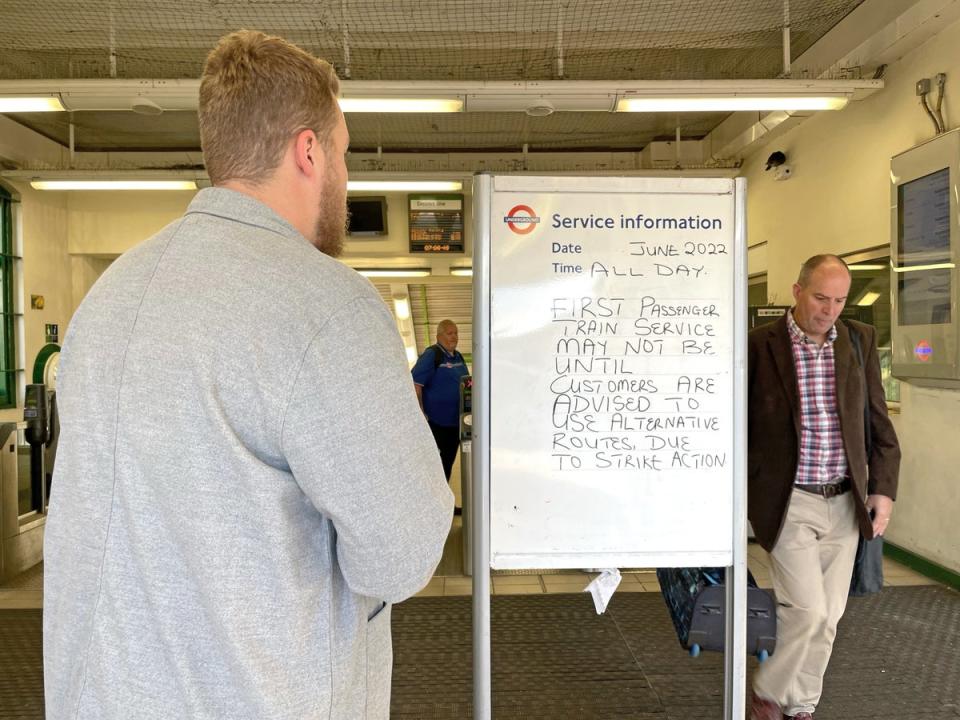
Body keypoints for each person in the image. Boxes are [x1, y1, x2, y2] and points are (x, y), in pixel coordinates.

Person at [43, 30, 453, 720]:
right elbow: (401, 556)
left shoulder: (110, 295)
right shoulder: (325, 304)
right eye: (344, 154)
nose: (345, 180)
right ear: (310, 150)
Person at [747, 255, 900, 720]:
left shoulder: (859, 340)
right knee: (807, 611)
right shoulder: (759, 345)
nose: (829, 310)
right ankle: (767, 695)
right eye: (820, 298)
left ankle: (801, 705)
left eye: (838, 300)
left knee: (829, 617)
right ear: (797, 291)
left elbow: (877, 418)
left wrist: (884, 489)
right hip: (789, 499)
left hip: (845, 501)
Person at [411, 320, 469, 491]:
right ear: (439, 336)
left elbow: (468, 384)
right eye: (450, 333)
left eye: (456, 333)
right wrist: (422, 416)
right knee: (436, 469)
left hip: (455, 425)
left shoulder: (458, 357)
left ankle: (446, 504)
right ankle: (436, 509)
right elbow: (415, 384)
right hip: (437, 426)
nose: (454, 337)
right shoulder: (432, 355)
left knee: (448, 465)